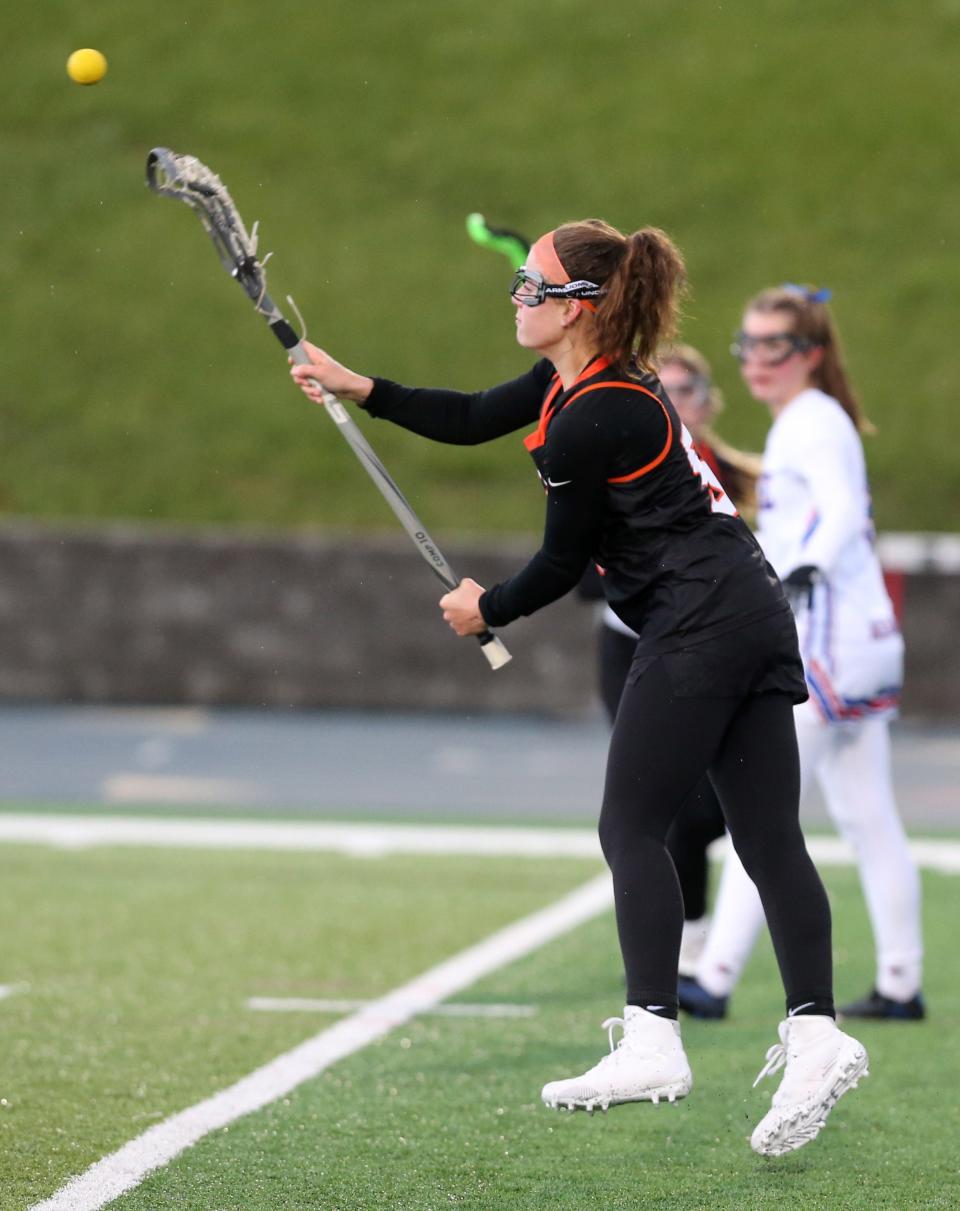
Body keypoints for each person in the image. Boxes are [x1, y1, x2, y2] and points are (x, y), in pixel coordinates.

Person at [291, 221, 868, 1156]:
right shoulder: (582, 378)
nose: (516, 296)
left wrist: (489, 608)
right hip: (746, 608)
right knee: (768, 836)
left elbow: (562, 562)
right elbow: (474, 414)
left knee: (629, 825)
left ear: (579, 307)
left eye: (533, 284)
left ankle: (653, 1036)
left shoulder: (596, 413)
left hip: (697, 621)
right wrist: (360, 385)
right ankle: (815, 1032)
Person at [678, 284, 925, 1023]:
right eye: (746, 344)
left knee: (764, 812)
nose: (756, 360)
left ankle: (715, 977)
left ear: (809, 353)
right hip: (864, 640)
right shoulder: (808, 421)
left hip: (829, 641)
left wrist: (799, 567)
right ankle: (901, 979)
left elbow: (843, 510)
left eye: (773, 345)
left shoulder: (813, 423)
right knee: (867, 815)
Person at [586, 346, 761, 976]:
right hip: (637, 646)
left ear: (707, 400)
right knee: (668, 801)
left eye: (686, 390)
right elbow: (579, 572)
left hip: (718, 644)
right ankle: (687, 938)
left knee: (725, 803)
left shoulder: (742, 477)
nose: (675, 401)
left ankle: (698, 932)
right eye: (664, 389)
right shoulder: (616, 465)